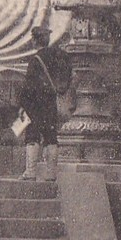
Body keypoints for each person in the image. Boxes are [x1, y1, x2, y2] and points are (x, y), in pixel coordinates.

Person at [17, 25, 73, 181]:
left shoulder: (36, 60)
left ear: (35, 41)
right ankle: (51, 173)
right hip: (51, 101)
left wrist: (24, 105)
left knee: (33, 134)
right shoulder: (59, 56)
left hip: (36, 104)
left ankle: (30, 171)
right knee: (51, 136)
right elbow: (67, 76)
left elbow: (28, 87)